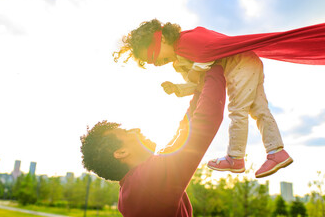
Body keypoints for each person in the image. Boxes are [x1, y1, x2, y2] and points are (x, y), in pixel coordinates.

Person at [113, 19, 325, 178]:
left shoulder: (187, 41)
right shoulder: (181, 57)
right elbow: (202, 83)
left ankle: (235, 158)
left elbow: (207, 55)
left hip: (240, 64)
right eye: (151, 62)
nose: (157, 63)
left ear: (164, 39)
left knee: (238, 110)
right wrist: (178, 88)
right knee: (259, 110)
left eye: (154, 56)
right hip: (247, 63)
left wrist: (193, 71)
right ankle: (277, 153)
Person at [81, 65, 226, 217]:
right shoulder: (149, 181)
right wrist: (215, 68)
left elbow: (183, 135)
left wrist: (199, 90)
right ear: (121, 152)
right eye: (126, 132)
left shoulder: (134, 188)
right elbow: (205, 123)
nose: (136, 129)